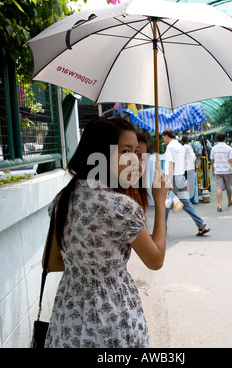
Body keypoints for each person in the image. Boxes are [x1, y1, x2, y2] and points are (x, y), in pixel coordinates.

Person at [44, 117, 168, 348]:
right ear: (100, 153)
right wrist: (160, 202)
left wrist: (86, 265)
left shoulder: (63, 198)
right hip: (112, 318)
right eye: (125, 151)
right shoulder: (120, 207)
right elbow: (156, 259)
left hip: (68, 318)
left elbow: (51, 262)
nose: (135, 160)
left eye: (137, 152)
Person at [162, 129, 210, 236]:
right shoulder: (180, 146)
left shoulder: (170, 147)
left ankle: (161, 230)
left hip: (173, 178)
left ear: (166, 136)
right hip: (181, 177)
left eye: (163, 137)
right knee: (185, 203)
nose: (163, 140)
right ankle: (201, 224)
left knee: (165, 203)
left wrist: (168, 181)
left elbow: (171, 164)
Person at [210, 131, 232, 212]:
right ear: (225, 138)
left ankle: (220, 205)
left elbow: (212, 161)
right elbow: (231, 160)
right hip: (227, 171)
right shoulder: (229, 148)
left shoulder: (213, 148)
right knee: (228, 187)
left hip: (218, 171)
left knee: (219, 188)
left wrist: (213, 171)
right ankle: (229, 201)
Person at [181, 135, 197, 202]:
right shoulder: (188, 147)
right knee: (191, 185)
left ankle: (185, 200)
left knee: (184, 185)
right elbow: (193, 157)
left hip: (183, 169)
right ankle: (191, 200)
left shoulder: (180, 148)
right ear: (187, 140)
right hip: (190, 168)